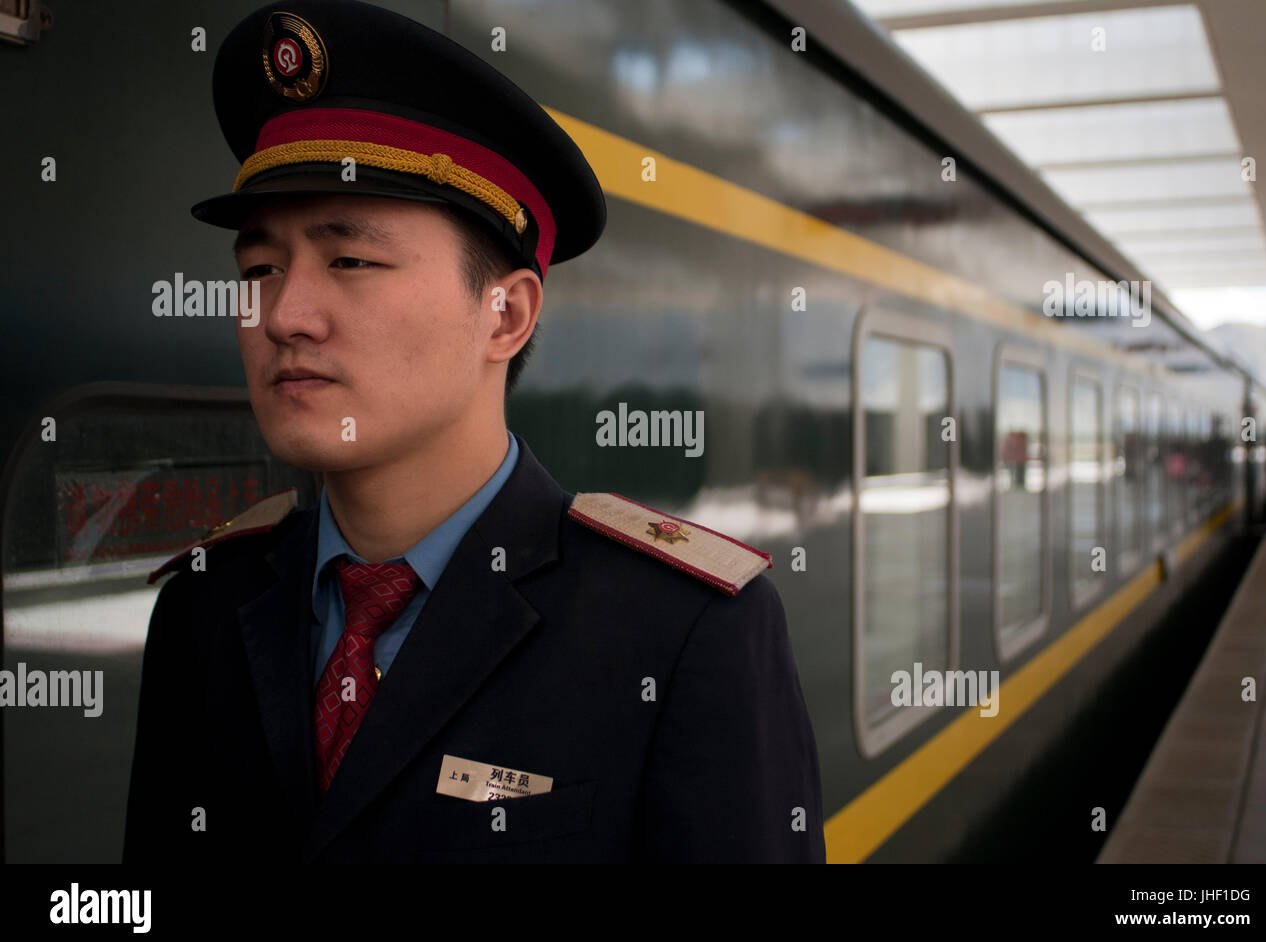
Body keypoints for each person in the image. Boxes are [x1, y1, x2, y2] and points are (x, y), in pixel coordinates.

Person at [123, 0, 824, 863]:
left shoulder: (683, 636)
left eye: (350, 260)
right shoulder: (204, 607)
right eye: (261, 267)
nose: (284, 313)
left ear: (506, 314)